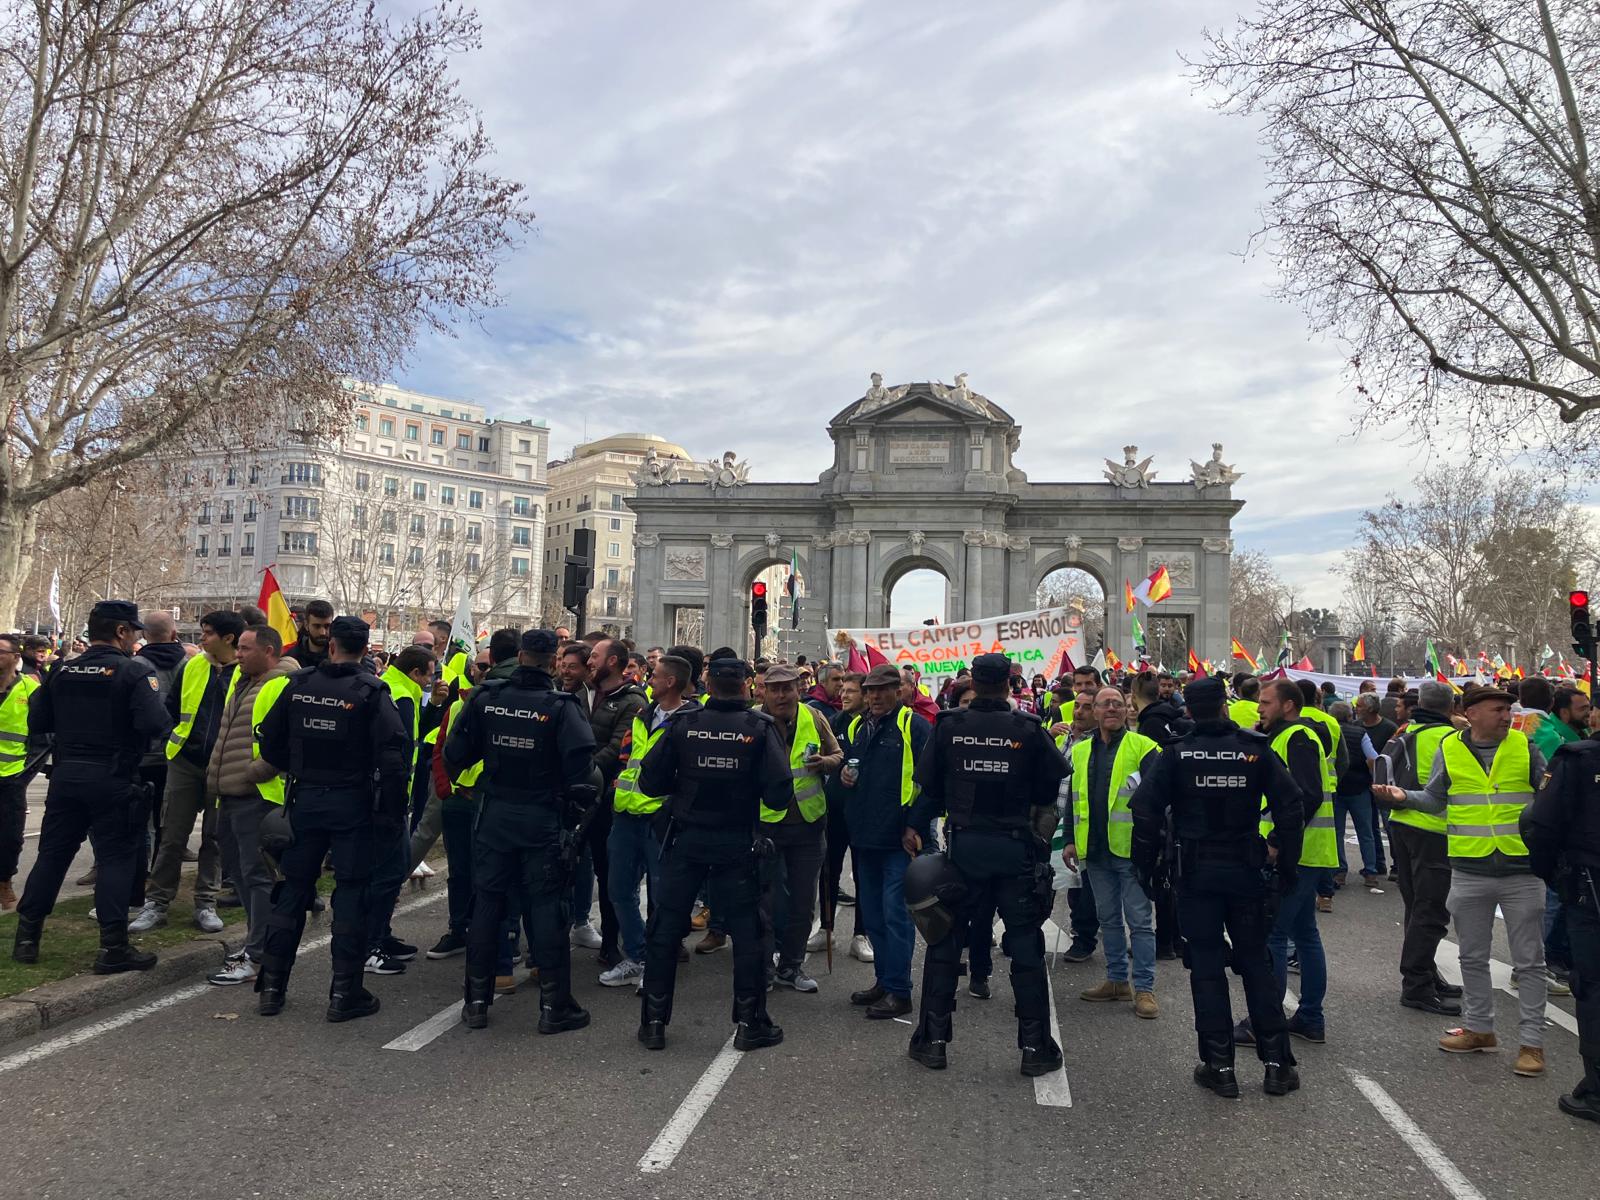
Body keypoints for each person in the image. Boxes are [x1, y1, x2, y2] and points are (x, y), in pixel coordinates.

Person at [1130, 675, 1306, 1098]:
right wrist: (1285, 858)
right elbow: (1292, 804)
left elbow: (1146, 812)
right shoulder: (1254, 749)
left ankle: (1219, 1065)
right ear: (1225, 707)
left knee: (1206, 968)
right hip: (1245, 868)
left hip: (1196, 872)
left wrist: (1145, 868)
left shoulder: (1176, 754)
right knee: (1256, 964)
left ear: (1189, 709)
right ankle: (1277, 1065)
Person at [902, 654, 1068, 1074]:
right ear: (1010, 684)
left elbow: (929, 787)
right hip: (1015, 849)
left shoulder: (949, 725)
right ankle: (1034, 1048)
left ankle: (934, 1041)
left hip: (966, 847)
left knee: (945, 942)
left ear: (974, 681)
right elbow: (1050, 785)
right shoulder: (1028, 729)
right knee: (1026, 945)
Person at [1374, 686, 1550, 1077]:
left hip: (1522, 870)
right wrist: (1404, 796)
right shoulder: (1450, 749)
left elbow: (1548, 795)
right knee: (1472, 957)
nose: (1507, 716)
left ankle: (1532, 1044)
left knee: (1530, 962)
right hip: (1469, 868)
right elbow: (1436, 799)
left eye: (1508, 709)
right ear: (1471, 713)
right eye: (1498, 709)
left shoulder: (1526, 746)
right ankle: (1479, 1029)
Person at [252, 616, 408, 1022]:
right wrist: (392, 815)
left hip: (305, 799)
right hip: (351, 804)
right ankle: (344, 993)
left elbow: (270, 742)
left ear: (331, 644)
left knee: (292, 890)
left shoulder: (299, 685)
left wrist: (300, 768)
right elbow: (393, 758)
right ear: (364, 646)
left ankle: (272, 987)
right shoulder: (372, 691)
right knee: (352, 893)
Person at [635, 656, 793, 1052]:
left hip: (685, 840)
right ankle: (750, 1023)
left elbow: (651, 783)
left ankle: (653, 1022)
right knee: (747, 934)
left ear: (707, 684)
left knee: (665, 929)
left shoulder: (684, 724)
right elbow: (779, 792)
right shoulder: (760, 728)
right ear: (747, 686)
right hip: (736, 843)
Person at [443, 629, 599, 1031]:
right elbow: (583, 772)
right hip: (541, 816)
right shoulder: (561, 706)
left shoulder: (486, 697)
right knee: (546, 907)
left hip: (495, 812)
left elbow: (455, 754)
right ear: (553, 660)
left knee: (488, 903)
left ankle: (476, 1001)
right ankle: (554, 1006)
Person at [12, 602, 172, 972]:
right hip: (113, 777)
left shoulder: (61, 671)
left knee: (52, 856)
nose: (136, 637)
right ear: (120, 632)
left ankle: (27, 937)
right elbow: (155, 723)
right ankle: (113, 946)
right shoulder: (132, 673)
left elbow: (38, 721)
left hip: (67, 775)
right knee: (116, 858)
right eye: (134, 631)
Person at [132, 610, 243, 935]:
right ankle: (157, 902)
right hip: (184, 761)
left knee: (215, 838)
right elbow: (171, 707)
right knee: (172, 836)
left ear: (228, 638)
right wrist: (173, 738)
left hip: (222, 766)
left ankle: (205, 903)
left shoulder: (245, 673)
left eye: (207, 633)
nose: (201, 638)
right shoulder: (193, 664)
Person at [204, 625, 298, 985]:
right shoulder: (244, 681)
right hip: (229, 792)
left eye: (245, 648)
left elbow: (284, 740)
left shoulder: (280, 684)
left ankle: (257, 954)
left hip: (257, 795)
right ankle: (257, 943)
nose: (238, 654)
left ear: (269, 651)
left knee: (256, 875)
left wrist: (254, 771)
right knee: (240, 872)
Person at [840, 662, 932, 1019]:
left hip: (897, 839)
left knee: (896, 916)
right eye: (870, 690)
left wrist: (915, 826)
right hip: (864, 837)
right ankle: (884, 980)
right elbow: (848, 770)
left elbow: (928, 783)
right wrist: (845, 777)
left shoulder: (914, 726)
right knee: (874, 916)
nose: (875, 696)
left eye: (882, 690)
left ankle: (899, 990)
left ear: (899, 690)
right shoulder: (857, 726)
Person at [1246, 679, 1336, 1045]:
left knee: (1274, 935)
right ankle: (1309, 1017)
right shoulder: (1285, 736)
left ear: (1287, 705)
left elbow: (1306, 794)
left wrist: (1278, 841)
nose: (1258, 708)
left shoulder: (1296, 736)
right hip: (1311, 850)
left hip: (1296, 852)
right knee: (1304, 934)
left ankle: (1266, 1020)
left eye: (1265, 702)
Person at [1064, 687, 1162, 1017]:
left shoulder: (1144, 747)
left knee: (1140, 922)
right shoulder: (1079, 751)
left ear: (1127, 710)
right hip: (1095, 850)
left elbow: (1159, 799)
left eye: (1118, 704)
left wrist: (1152, 846)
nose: (1112, 709)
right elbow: (1072, 800)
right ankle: (1118, 980)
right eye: (1105, 704)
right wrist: (1069, 840)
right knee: (1108, 920)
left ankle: (1145, 988)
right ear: (1093, 711)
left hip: (1130, 851)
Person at [603, 653, 700, 987]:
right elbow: (627, 758)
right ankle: (638, 956)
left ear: (670, 681)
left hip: (663, 821)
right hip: (627, 815)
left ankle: (659, 963)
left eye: (654, 675)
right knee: (619, 889)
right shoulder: (642, 716)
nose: (648, 679)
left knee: (664, 897)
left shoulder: (693, 721)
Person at [1520, 733, 1600, 1124]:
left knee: (1594, 983)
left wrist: (1553, 875)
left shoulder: (1578, 758)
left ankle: (1598, 1091)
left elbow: (1541, 824)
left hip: (1590, 885)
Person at [756, 663, 843, 992]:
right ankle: (763, 966)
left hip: (808, 825)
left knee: (803, 902)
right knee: (764, 901)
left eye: (787, 688)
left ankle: (791, 967)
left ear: (799, 689)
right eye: (774, 688)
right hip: (765, 825)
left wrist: (826, 763)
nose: (781, 695)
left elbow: (838, 754)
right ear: (764, 690)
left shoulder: (814, 717)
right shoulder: (754, 719)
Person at [361, 644, 437, 975]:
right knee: (389, 871)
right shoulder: (402, 695)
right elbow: (402, 750)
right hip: (389, 799)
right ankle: (372, 944)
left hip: (384, 796)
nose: (431, 682)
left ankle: (381, 935)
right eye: (430, 675)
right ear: (416, 672)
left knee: (388, 868)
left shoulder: (390, 685)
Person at [580, 638, 649, 968]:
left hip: (604, 798)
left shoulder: (632, 700)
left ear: (613, 662)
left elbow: (615, 748)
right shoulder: (583, 691)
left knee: (609, 874)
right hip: (576, 796)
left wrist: (582, 771)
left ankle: (612, 941)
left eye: (594, 656)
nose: (588, 660)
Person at [131, 614, 187, 907]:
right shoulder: (190, 665)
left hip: (142, 755)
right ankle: (162, 883)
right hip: (176, 755)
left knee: (141, 824)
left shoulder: (135, 666)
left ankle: (140, 883)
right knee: (169, 823)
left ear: (145, 634)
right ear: (174, 632)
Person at [823, 670, 869, 961]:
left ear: (866, 694)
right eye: (842, 689)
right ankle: (825, 930)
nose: (844, 694)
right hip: (833, 811)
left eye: (851, 690)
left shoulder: (873, 726)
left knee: (863, 874)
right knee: (828, 871)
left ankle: (861, 934)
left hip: (864, 813)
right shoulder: (834, 721)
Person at [0, 632, 43, 911]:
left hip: (13, 776)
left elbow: (43, 738)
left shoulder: (30, 689)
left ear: (16, 656)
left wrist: (26, 772)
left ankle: (4, 881)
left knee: (10, 835)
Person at [1332, 700, 1385, 891]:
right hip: (1360, 787)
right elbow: (1372, 758)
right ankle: (1370, 871)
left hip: (1337, 787)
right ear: (1349, 715)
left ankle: (1340, 871)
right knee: (1365, 832)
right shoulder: (1360, 733)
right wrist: (1373, 779)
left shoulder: (1331, 731)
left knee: (1337, 832)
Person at [293, 599, 334, 669]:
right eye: (317, 626)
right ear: (306, 625)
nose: (323, 632)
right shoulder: (292, 658)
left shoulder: (340, 657)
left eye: (327, 626)